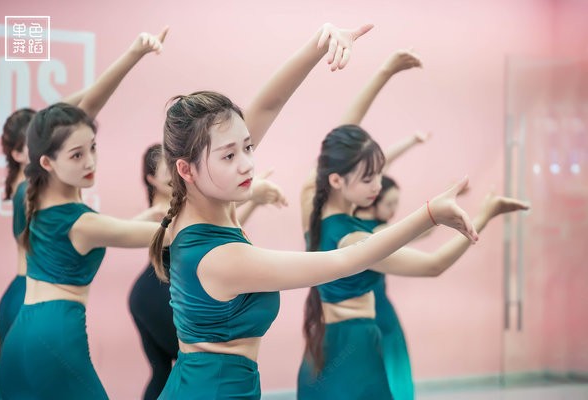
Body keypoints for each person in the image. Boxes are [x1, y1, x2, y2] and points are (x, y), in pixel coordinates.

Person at [148, 23, 479, 399]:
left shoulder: (201, 200)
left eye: (248, 148)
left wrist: (320, 42)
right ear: (186, 170)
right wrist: (430, 214)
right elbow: (345, 261)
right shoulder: (220, 256)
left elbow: (269, 105)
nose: (246, 164)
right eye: (229, 155)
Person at [296, 51, 530, 400]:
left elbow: (342, 137)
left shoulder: (310, 206)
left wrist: (385, 71)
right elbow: (434, 265)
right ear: (337, 180)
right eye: (368, 179)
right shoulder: (357, 238)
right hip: (355, 353)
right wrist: (485, 214)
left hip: (321, 348)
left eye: (379, 175)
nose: (377, 186)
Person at [0, 27, 169, 400]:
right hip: (55, 334)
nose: (90, 162)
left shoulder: (35, 196)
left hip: (23, 327)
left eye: (93, 148)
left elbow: (77, 118)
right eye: (76, 155)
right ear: (45, 160)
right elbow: (166, 235)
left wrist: (133, 54)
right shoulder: (75, 217)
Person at [129, 144, 287, 400]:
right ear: (151, 180)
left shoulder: (181, 208)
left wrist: (253, 201)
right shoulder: (165, 212)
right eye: (166, 171)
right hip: (157, 292)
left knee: (164, 371)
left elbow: (219, 235)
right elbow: (204, 234)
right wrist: (250, 193)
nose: (174, 174)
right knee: (191, 364)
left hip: (149, 293)